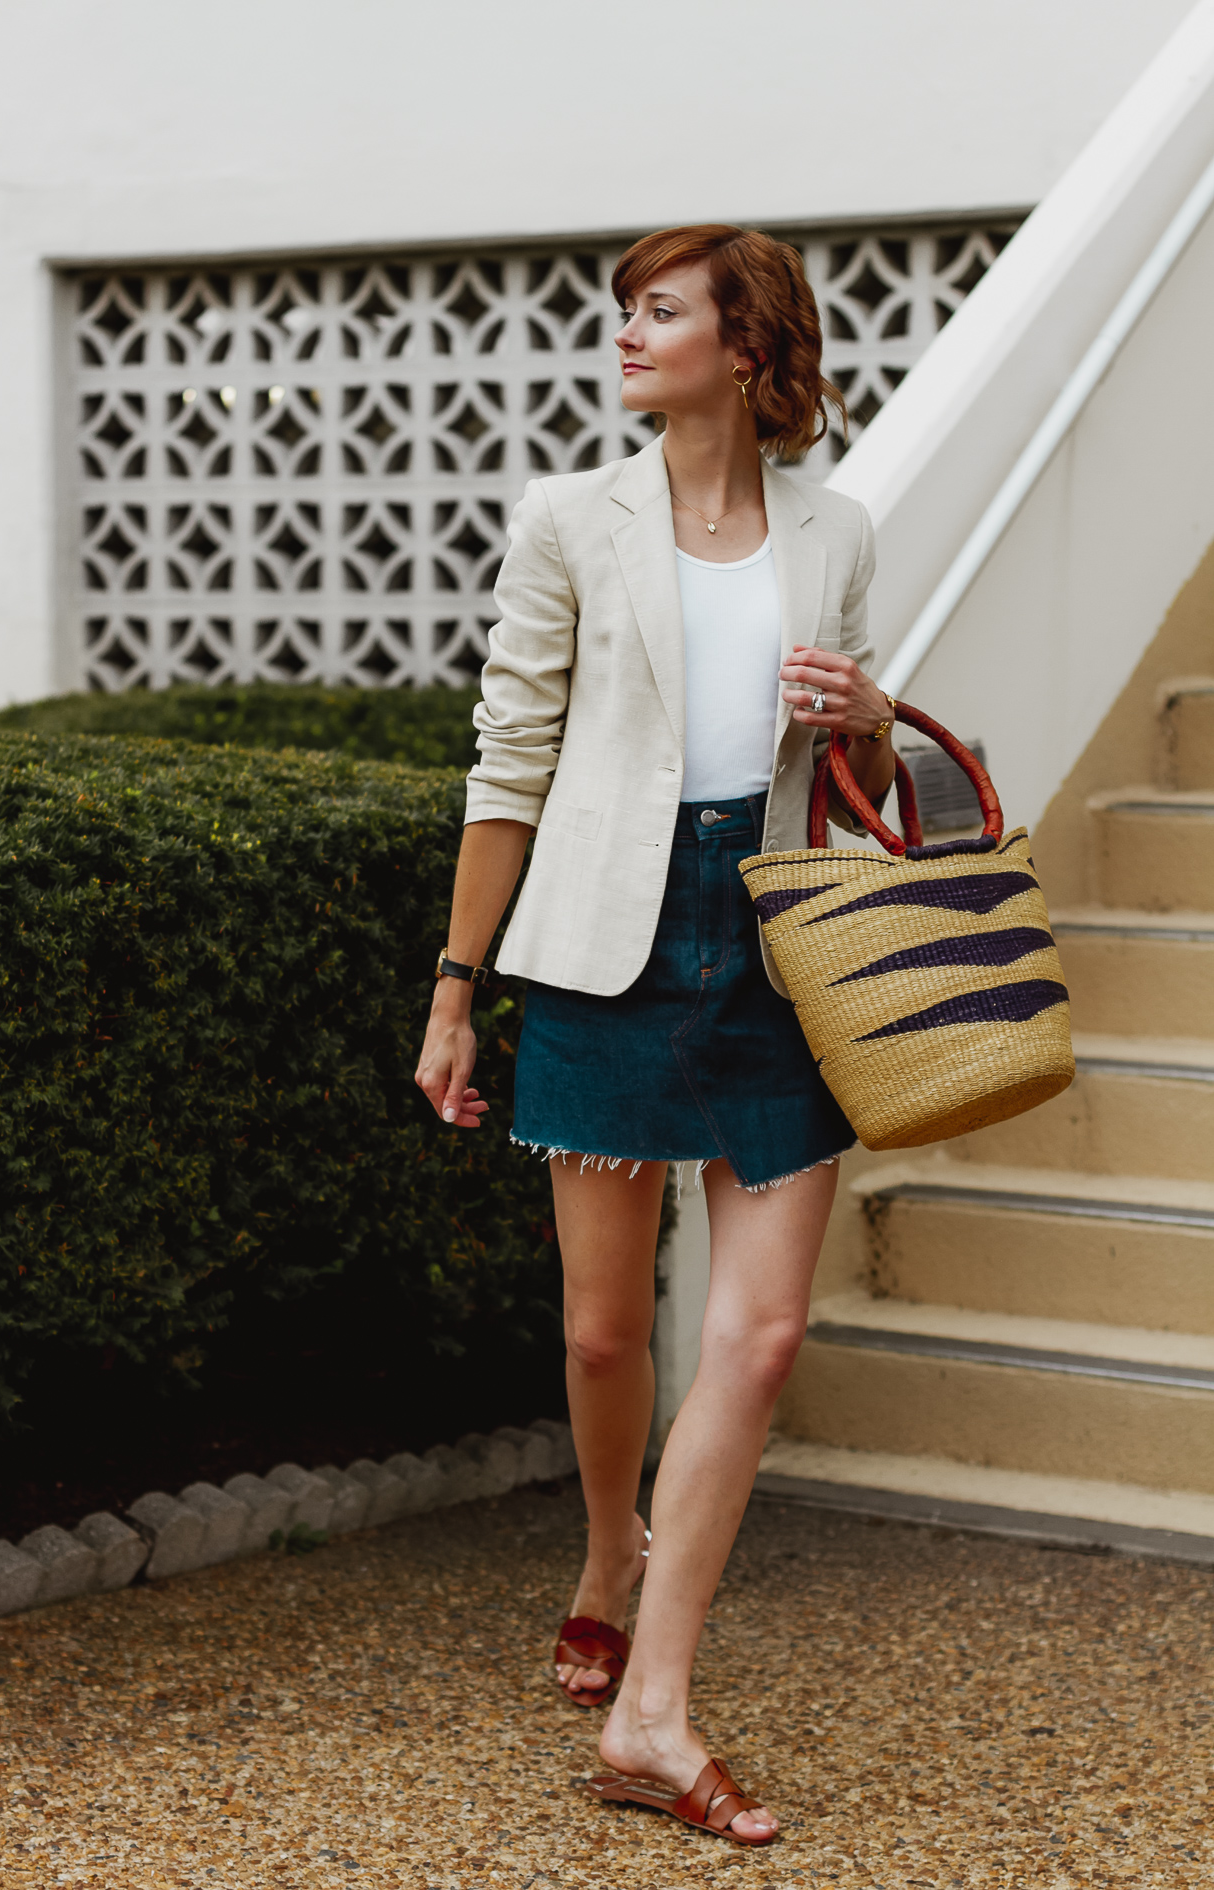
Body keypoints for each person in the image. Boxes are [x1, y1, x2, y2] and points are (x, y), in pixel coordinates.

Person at [415, 223, 895, 1848]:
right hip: (610, 943)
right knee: (609, 1332)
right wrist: (456, 986)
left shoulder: (836, 529)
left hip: (773, 945)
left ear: (749, 345)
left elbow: (869, 783)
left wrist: (874, 723)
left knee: (757, 1339)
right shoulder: (569, 517)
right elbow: (512, 759)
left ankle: (654, 1707)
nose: (628, 330)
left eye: (663, 308)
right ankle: (609, 1548)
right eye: (627, 309)